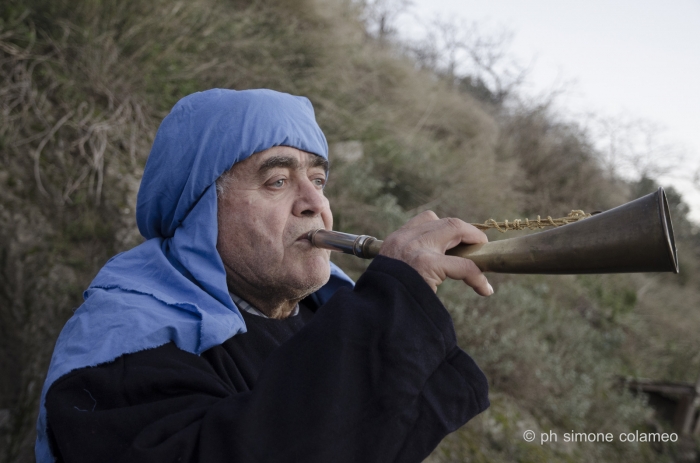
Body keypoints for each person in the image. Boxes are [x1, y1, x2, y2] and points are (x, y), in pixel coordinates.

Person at [36, 88, 493, 463]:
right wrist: (392, 305)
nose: (315, 204)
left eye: (318, 181)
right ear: (200, 212)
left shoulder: (327, 312)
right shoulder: (120, 346)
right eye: (277, 181)